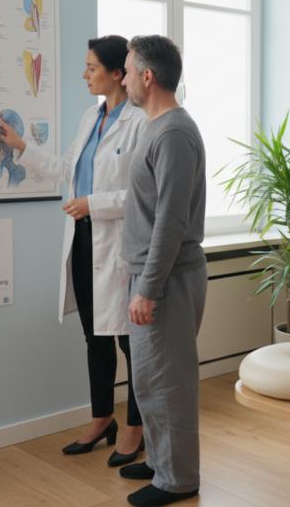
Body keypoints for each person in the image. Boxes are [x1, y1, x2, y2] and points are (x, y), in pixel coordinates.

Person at [0, 35, 148, 467]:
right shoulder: (89, 117)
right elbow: (67, 169)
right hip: (82, 239)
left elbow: (140, 194)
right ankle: (103, 420)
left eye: (92, 67)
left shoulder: (140, 122)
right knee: (93, 337)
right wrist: (19, 145)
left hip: (117, 245)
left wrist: (92, 204)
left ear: (118, 73)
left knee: (129, 342)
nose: (85, 75)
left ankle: (136, 427)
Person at [117, 35, 207, 507]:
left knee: (169, 381)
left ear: (147, 77)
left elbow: (171, 222)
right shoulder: (156, 127)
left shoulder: (173, 133)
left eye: (129, 71)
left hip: (167, 279)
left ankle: (178, 480)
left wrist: (147, 288)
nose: (124, 79)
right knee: (149, 379)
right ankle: (159, 461)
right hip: (152, 276)